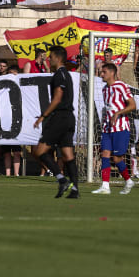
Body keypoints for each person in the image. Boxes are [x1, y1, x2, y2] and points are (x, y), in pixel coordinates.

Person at [33, 45, 79, 199]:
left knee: (39, 151)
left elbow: (57, 98)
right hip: (69, 118)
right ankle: (75, 190)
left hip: (59, 117)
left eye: (50, 56)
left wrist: (43, 116)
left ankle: (62, 179)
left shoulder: (59, 75)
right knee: (68, 155)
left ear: (57, 58)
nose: (48, 59)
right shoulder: (67, 74)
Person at [92, 63, 137, 195]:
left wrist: (118, 113)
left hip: (121, 127)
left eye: (104, 72)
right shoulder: (105, 89)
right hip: (107, 128)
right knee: (104, 154)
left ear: (112, 73)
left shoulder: (121, 86)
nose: (101, 74)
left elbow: (133, 105)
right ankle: (105, 186)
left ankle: (128, 181)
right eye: (101, 72)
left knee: (117, 158)